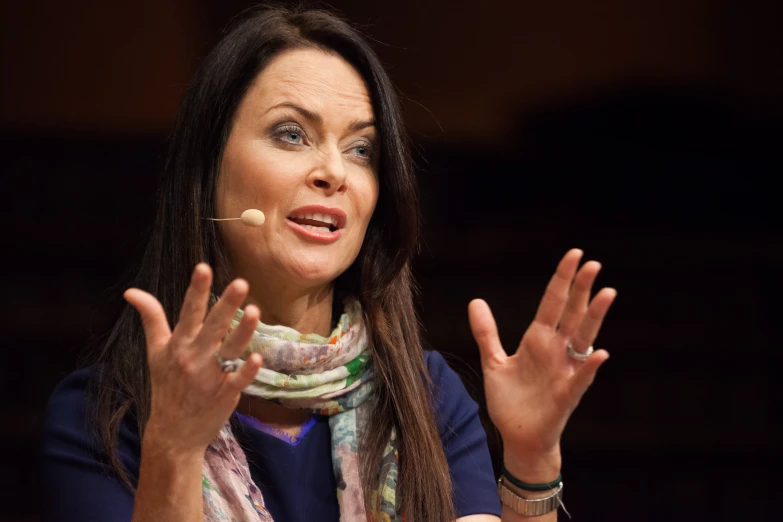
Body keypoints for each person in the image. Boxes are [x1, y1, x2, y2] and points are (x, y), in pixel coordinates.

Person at [40, 6, 615, 522]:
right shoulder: (101, 418)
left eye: (361, 148)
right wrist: (173, 451)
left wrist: (532, 456)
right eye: (291, 134)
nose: (334, 172)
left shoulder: (425, 394)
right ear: (207, 166)